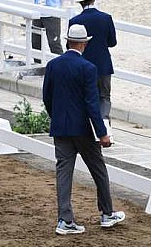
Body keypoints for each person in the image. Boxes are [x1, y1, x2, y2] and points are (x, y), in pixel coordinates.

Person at [42, 24, 125, 235]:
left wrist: (57, 118)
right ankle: (106, 213)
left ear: (68, 41)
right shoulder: (88, 68)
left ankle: (64, 220)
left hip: (61, 128)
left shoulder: (53, 65)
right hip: (83, 130)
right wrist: (102, 132)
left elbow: (47, 98)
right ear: (85, 43)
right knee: (98, 170)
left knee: (63, 174)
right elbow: (92, 104)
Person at [68, 0, 117, 120]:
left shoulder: (74, 21)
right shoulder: (106, 18)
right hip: (103, 65)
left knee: (85, 97)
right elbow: (112, 42)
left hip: (82, 66)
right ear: (94, 0)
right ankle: (105, 125)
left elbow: (70, 46)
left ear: (80, 3)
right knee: (104, 97)